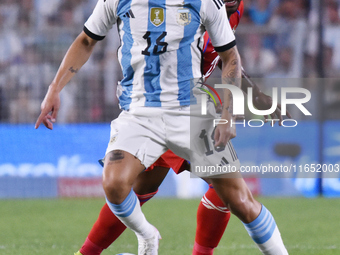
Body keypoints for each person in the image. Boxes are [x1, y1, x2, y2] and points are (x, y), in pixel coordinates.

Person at [35, 0, 289, 254]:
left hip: (190, 109)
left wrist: (239, 106)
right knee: (125, 186)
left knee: (235, 198)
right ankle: (143, 239)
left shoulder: (216, 6)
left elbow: (227, 55)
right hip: (142, 110)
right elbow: (86, 40)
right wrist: (54, 88)